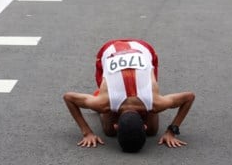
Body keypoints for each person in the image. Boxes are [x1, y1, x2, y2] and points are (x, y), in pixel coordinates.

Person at [63, 39, 195, 153]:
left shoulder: (156, 103)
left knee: (150, 127)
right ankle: (139, 110)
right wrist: (171, 131)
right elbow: (68, 97)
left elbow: (189, 97)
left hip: (141, 48)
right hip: (116, 49)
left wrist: (88, 132)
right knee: (148, 128)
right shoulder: (104, 103)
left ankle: (139, 110)